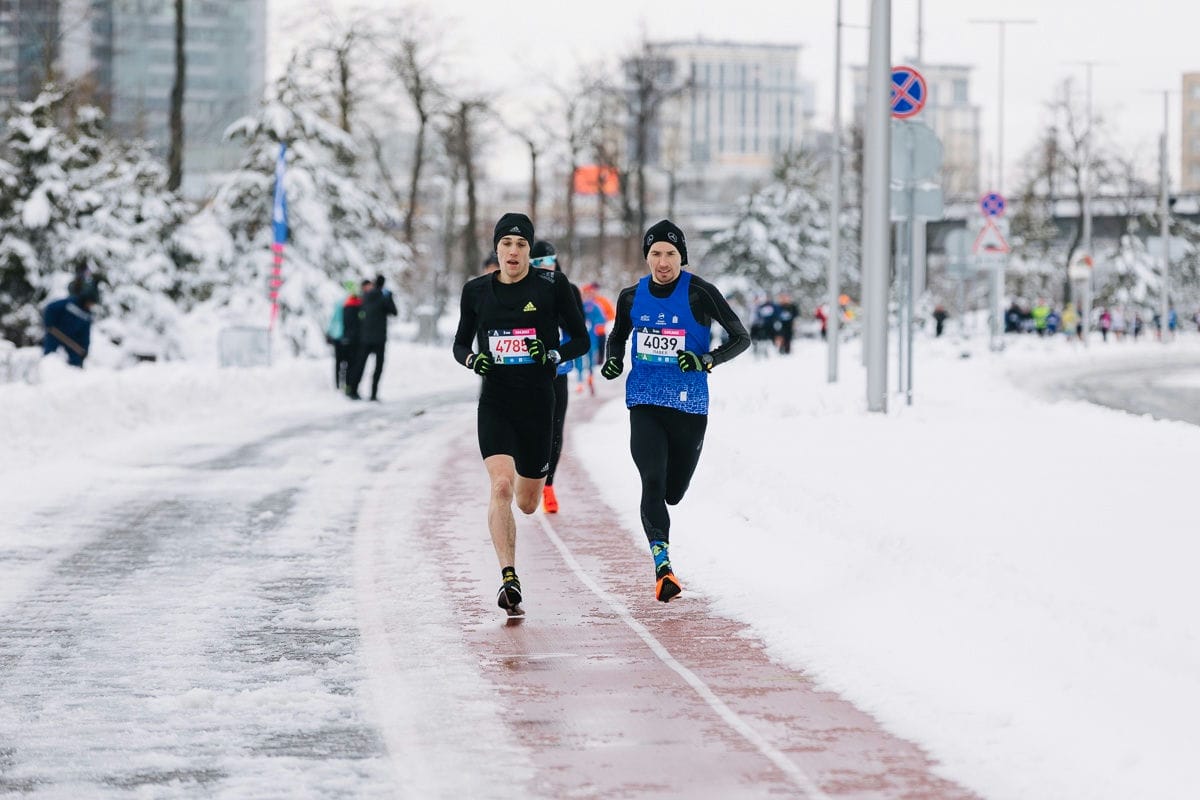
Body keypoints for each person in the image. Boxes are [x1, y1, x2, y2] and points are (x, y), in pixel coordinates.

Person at [600, 219, 750, 603]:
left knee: (673, 492)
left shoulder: (700, 293)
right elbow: (617, 337)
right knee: (651, 479)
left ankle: (666, 527)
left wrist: (706, 361)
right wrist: (613, 360)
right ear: (647, 257)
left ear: (681, 256)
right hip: (645, 401)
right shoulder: (631, 297)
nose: (662, 261)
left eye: (670, 254)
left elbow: (741, 337)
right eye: (655, 254)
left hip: (688, 405)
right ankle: (662, 567)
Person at [452, 213, 590, 613]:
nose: (513, 252)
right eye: (507, 244)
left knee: (527, 503)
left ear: (530, 250)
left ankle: (529, 490)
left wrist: (552, 354)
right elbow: (460, 344)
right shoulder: (476, 291)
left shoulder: (551, 286)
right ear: (496, 249)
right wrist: (471, 360)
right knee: (499, 488)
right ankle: (508, 578)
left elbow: (580, 340)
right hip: (496, 401)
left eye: (521, 245)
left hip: (537, 403)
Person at [529, 239, 586, 514]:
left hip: (557, 370)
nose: (543, 268)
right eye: (536, 263)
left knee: (555, 427)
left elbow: (577, 330)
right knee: (527, 426)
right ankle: (528, 475)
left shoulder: (568, 289)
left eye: (547, 262)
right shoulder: (522, 288)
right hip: (526, 372)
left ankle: (548, 485)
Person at [348, 273, 397, 401]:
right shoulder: (384, 297)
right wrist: (389, 297)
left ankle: (353, 390)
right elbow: (394, 312)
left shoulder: (366, 296)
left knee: (361, 364)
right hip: (380, 339)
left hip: (366, 338)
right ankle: (373, 393)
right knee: (378, 367)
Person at [42, 283, 100, 367]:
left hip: (71, 339)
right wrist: (49, 324)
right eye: (90, 302)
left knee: (76, 359)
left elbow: (85, 334)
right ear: (86, 299)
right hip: (55, 332)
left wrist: (84, 350)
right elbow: (50, 308)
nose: (91, 305)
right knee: (49, 356)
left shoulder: (87, 316)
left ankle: (74, 375)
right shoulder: (69, 303)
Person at [326, 280, 358, 390]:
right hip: (345, 336)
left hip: (337, 336)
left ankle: (338, 384)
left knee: (339, 362)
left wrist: (329, 332)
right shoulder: (351, 302)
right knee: (348, 362)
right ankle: (344, 384)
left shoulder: (339, 301)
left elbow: (333, 318)